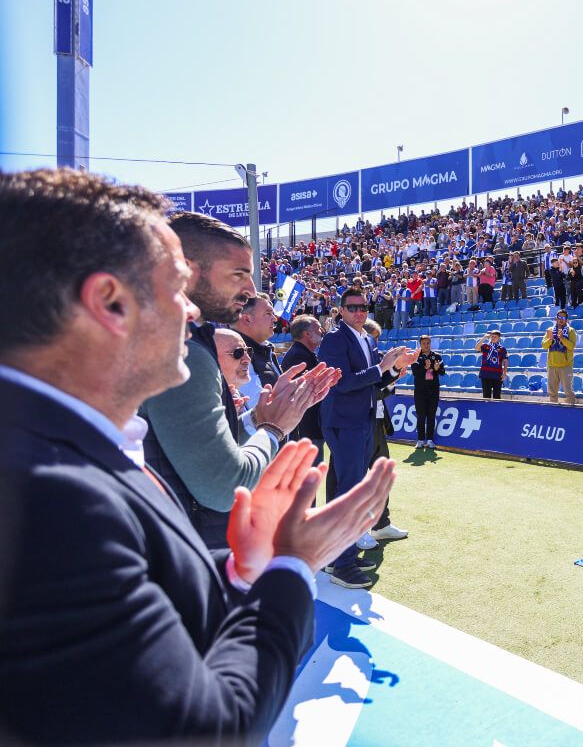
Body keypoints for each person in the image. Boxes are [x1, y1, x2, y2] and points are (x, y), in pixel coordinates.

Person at [0, 168, 396, 744]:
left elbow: (142, 585)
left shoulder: (69, 451)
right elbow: (204, 730)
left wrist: (248, 565)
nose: (192, 314)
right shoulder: (51, 495)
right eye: (173, 288)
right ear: (110, 304)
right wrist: (291, 566)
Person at [141, 213, 338, 549]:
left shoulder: (173, 339)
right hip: (191, 552)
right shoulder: (182, 352)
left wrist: (257, 417)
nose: (249, 291)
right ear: (185, 270)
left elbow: (189, 446)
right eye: (238, 275)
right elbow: (223, 488)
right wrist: (273, 428)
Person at [317, 289, 415, 589]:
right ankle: (341, 563)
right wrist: (382, 367)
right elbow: (344, 383)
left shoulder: (365, 338)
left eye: (363, 307)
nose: (359, 312)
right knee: (349, 493)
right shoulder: (335, 338)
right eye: (352, 307)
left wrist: (394, 369)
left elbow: (374, 381)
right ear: (341, 310)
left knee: (351, 491)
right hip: (345, 423)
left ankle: (339, 555)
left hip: (361, 421)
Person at [360, 319, 408, 544]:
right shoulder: (360, 363)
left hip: (378, 424)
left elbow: (382, 393)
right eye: (374, 339)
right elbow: (366, 393)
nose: (376, 344)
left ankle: (381, 524)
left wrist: (394, 376)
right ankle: (357, 530)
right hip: (360, 425)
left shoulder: (377, 362)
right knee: (358, 478)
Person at [282, 315, 331, 495]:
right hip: (306, 429)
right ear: (306, 334)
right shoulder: (299, 357)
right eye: (318, 329)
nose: (322, 332)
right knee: (307, 483)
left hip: (309, 428)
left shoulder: (303, 354)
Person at [232, 293, 282, 407]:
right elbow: (254, 408)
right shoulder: (233, 353)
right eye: (268, 313)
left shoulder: (266, 350)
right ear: (247, 318)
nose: (274, 319)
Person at [411, 335, 445, 448]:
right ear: (420, 344)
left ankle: (430, 440)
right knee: (421, 416)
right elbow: (415, 373)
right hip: (420, 391)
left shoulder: (437, 356)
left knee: (431, 416)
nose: (426, 345)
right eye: (424, 343)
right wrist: (424, 368)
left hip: (433, 391)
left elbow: (442, 372)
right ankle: (420, 440)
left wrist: (437, 369)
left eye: (428, 343)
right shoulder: (415, 357)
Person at [542, 309, 577, 405]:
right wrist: (550, 339)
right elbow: (544, 345)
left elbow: (571, 346)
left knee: (568, 392)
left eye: (563, 318)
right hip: (552, 366)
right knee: (552, 393)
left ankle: (570, 413)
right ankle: (553, 414)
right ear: (556, 319)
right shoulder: (550, 330)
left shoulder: (571, 331)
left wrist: (562, 338)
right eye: (559, 317)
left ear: (566, 319)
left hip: (566, 366)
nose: (561, 320)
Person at [214, 328, 253, 412]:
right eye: (238, 353)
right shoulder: (200, 408)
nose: (248, 359)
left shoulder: (238, 396)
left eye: (248, 351)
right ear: (212, 359)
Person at [477, 328, 508, 399]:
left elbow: (505, 361)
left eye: (495, 337)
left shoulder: (502, 348)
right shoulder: (485, 346)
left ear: (499, 338)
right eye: (492, 336)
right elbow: (476, 348)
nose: (493, 338)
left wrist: (504, 373)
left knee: (497, 395)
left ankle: (496, 410)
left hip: (497, 374)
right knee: (486, 395)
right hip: (485, 374)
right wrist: (484, 337)